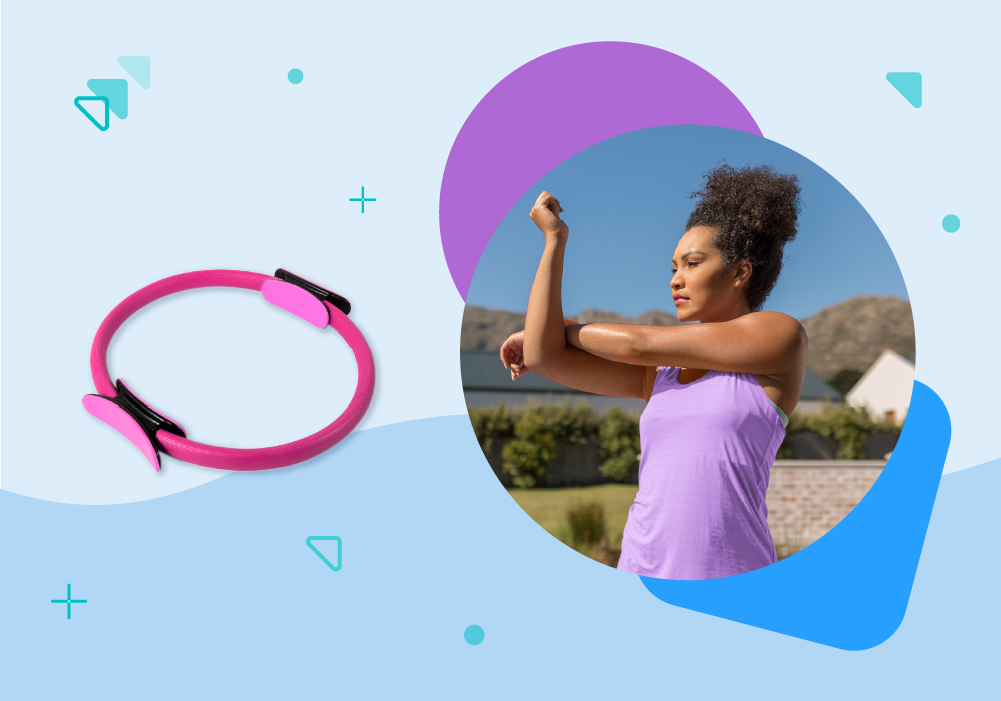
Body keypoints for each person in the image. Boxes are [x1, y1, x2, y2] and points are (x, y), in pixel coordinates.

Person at [499, 164, 807, 580]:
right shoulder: (660, 374)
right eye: (674, 268)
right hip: (641, 573)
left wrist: (568, 330)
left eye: (692, 264)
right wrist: (555, 239)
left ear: (740, 272)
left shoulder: (779, 337)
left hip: (734, 579)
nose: (676, 281)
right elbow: (543, 356)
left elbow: (636, 344)